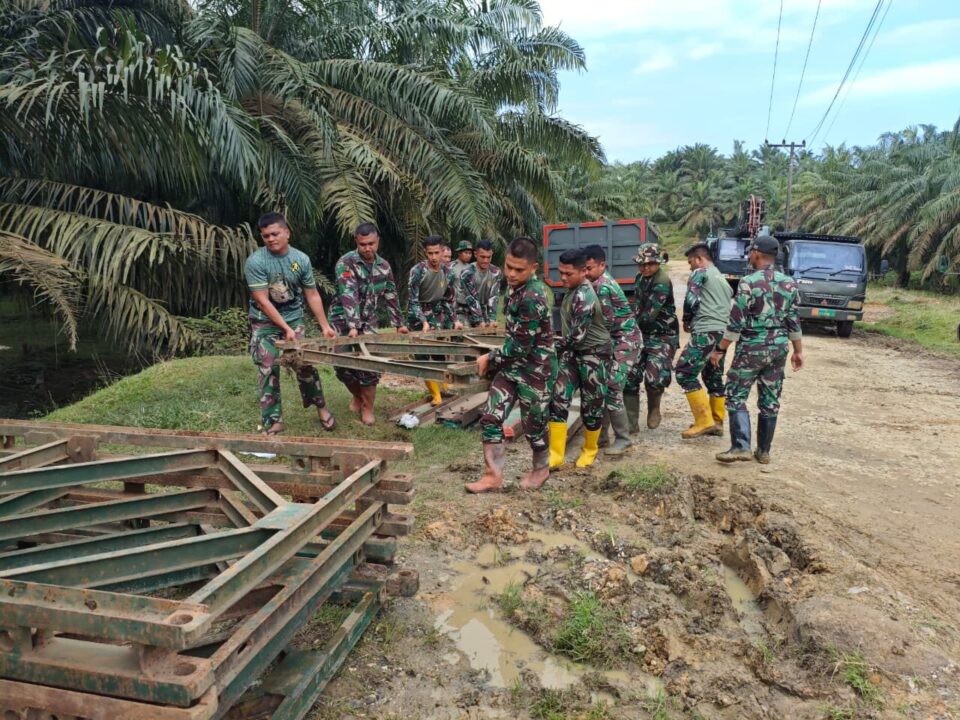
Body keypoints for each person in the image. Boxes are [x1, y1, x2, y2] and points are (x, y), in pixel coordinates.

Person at [466, 237, 557, 493]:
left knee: (534, 426)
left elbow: (520, 346)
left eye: (519, 269)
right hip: (511, 367)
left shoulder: (533, 295)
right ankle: (492, 476)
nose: (512, 274)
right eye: (508, 267)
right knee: (491, 416)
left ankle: (541, 469)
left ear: (533, 267)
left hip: (535, 370)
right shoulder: (514, 288)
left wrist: (490, 358)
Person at [709, 235, 804, 464]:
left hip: (752, 347)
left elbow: (736, 322)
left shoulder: (748, 282)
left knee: (735, 395)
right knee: (770, 399)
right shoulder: (789, 283)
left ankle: (741, 446)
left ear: (757, 253)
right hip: (778, 348)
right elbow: (793, 320)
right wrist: (798, 351)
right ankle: (763, 451)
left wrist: (720, 349)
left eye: (751, 251)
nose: (749, 255)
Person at [244, 212, 337, 435]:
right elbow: (263, 301)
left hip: (294, 317)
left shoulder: (300, 260)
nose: (271, 239)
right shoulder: (256, 262)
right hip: (264, 321)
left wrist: (325, 325)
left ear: (287, 233)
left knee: (304, 364)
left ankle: (321, 408)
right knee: (267, 367)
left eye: (275, 234)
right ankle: (274, 420)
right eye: (266, 236)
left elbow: (312, 293)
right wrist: (285, 329)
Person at [327, 222, 409, 425]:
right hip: (342, 319)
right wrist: (353, 326)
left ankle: (367, 407)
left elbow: (391, 294)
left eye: (371, 243)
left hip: (369, 320)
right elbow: (348, 295)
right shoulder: (346, 263)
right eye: (362, 244)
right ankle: (358, 395)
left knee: (370, 365)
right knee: (341, 364)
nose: (367, 248)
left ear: (377, 241)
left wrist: (399, 323)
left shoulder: (384, 266)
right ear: (356, 242)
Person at [547, 249, 613, 471]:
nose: (563, 277)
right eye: (561, 272)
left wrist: (548, 346)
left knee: (591, 405)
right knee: (558, 397)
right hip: (574, 353)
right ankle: (556, 454)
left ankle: (590, 449)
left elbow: (576, 336)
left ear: (584, 271)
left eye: (568, 273)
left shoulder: (584, 295)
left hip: (595, 355)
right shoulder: (571, 290)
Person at [582, 244, 640, 456]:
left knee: (613, 385)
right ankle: (602, 437)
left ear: (602, 265)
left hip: (626, 340)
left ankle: (623, 439)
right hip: (615, 340)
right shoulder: (597, 283)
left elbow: (605, 323)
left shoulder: (602, 287)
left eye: (589, 268)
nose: (586, 273)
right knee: (604, 384)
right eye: (584, 269)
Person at [676, 243, 734, 439]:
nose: (690, 266)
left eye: (690, 262)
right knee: (713, 376)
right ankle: (717, 422)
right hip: (721, 333)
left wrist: (686, 319)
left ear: (700, 259)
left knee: (684, 372)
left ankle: (703, 421)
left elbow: (691, 300)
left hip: (705, 330)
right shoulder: (722, 279)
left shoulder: (700, 272)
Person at [624, 243, 679, 431]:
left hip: (663, 335)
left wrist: (626, 326)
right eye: (642, 264)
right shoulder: (640, 278)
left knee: (654, 377)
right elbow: (637, 304)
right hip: (642, 333)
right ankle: (630, 423)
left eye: (650, 264)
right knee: (630, 375)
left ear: (658, 263)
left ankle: (654, 409)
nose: (646, 268)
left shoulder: (662, 281)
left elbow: (649, 315)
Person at [407, 235, 462, 405]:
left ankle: (445, 387)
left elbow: (448, 299)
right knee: (422, 356)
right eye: (430, 253)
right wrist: (423, 321)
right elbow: (413, 301)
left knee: (439, 352)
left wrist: (455, 320)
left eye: (437, 253)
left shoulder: (448, 272)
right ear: (425, 252)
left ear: (442, 251)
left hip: (437, 312)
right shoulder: (418, 271)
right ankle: (435, 394)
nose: (433, 257)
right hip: (418, 314)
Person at [461, 239, 503, 328]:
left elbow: (493, 297)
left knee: (490, 329)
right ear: (476, 254)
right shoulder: (467, 273)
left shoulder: (496, 272)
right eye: (482, 257)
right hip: (465, 309)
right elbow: (471, 299)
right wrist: (480, 321)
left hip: (483, 309)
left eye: (489, 257)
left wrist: (492, 319)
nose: (486, 261)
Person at [450, 240, 475, 325]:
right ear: (459, 253)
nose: (468, 255)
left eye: (470, 253)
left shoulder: (471, 267)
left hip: (469, 306)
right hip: (456, 306)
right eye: (466, 252)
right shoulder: (452, 267)